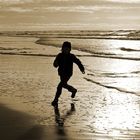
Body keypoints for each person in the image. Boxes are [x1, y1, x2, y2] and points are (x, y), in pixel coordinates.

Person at [52, 41, 85, 106]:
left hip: (68, 73)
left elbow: (78, 62)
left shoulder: (71, 56)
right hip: (61, 73)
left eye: (67, 49)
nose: (65, 50)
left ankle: (55, 100)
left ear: (70, 49)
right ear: (62, 48)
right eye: (64, 48)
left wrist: (82, 69)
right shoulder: (59, 55)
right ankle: (73, 90)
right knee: (63, 85)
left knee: (60, 86)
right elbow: (55, 65)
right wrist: (55, 63)